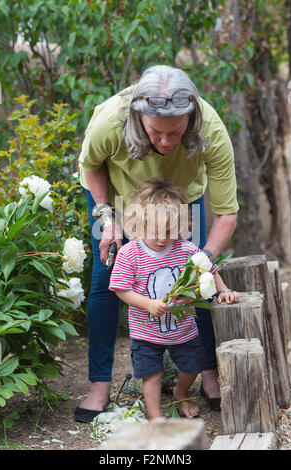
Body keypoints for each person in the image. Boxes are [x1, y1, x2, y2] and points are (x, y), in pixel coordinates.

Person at [74, 65, 239, 423]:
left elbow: (226, 213)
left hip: (181, 200)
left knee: (196, 286)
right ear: (138, 118)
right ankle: (99, 385)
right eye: (156, 132)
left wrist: (201, 262)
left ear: (191, 119)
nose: (165, 142)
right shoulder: (110, 119)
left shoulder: (210, 128)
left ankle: (207, 373)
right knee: (105, 284)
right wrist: (106, 219)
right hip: (118, 199)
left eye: (176, 132)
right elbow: (90, 166)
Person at [108, 179, 239, 422]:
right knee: (152, 374)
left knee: (191, 367)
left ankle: (181, 393)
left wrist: (223, 291)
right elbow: (120, 289)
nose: (161, 239)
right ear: (139, 224)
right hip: (145, 331)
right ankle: (156, 418)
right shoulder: (130, 253)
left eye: (169, 232)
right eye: (154, 232)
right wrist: (147, 304)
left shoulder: (186, 250)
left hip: (184, 329)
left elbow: (208, 268)